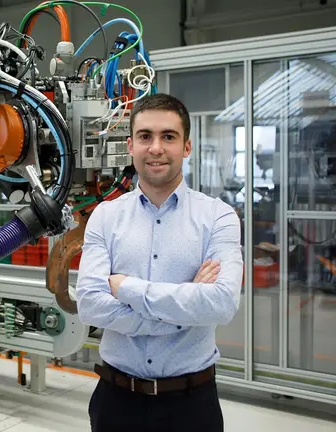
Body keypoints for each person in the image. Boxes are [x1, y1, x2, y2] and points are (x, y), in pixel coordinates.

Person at [75, 93, 243, 432]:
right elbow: (90, 305)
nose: (156, 147)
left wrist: (127, 288)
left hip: (191, 405)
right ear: (130, 145)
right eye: (145, 136)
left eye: (169, 136)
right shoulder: (105, 216)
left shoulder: (218, 217)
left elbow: (222, 304)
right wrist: (183, 309)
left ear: (187, 147)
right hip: (116, 402)